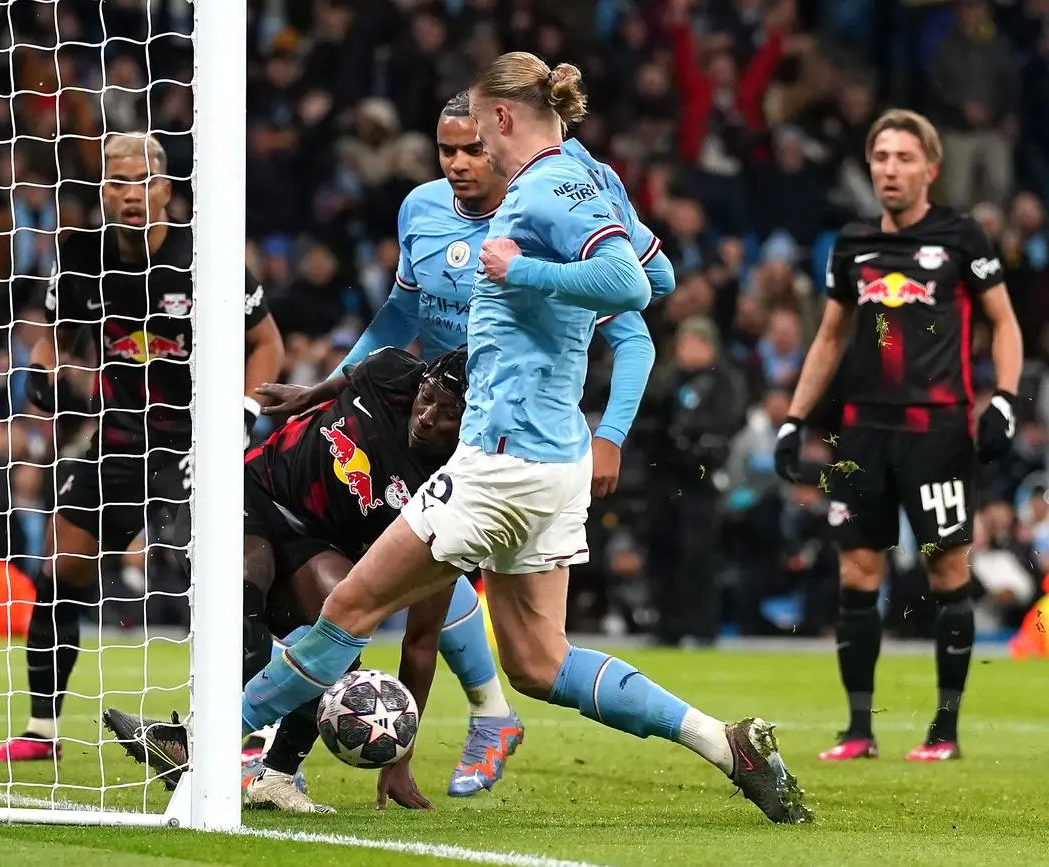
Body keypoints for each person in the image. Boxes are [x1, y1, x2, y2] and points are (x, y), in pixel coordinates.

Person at [233, 52, 811, 825]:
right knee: (540, 662)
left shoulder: (541, 188)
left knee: (349, 604)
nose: (472, 150)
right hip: (550, 461)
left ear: (501, 118)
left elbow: (634, 289)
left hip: (500, 459)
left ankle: (207, 737)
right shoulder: (590, 174)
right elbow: (660, 274)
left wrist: (522, 271)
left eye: (476, 130)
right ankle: (724, 741)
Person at [263, 91, 674, 797]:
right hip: (425, 419)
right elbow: (398, 314)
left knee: (401, 598)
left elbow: (637, 317)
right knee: (396, 588)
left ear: (500, 141)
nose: (457, 163)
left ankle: (274, 748)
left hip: (507, 436)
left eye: (471, 148)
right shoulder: (420, 210)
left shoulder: (549, 207)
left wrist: (611, 434)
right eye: (445, 149)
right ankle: (474, 717)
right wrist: (325, 387)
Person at [0, 133, 284, 763]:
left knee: (221, 580)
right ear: (103, 192)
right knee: (59, 572)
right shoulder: (82, 253)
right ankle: (42, 732)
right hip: (115, 439)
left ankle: (250, 734)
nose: (130, 194)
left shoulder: (208, 255)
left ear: (166, 190)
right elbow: (52, 339)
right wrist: (40, 371)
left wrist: (243, 412)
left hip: (190, 442)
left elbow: (268, 345)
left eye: (143, 182)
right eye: (118, 182)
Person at [104, 347, 469, 813]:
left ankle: (274, 778)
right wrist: (310, 395)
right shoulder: (393, 370)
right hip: (254, 488)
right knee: (242, 597)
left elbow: (421, 639)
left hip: (315, 542)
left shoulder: (453, 493)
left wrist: (401, 755)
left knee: (340, 645)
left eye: (449, 414)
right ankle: (188, 741)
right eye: (427, 398)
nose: (427, 417)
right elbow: (347, 380)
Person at [775, 108, 1023, 762]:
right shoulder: (852, 243)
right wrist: (795, 417)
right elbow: (829, 337)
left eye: (904, 158)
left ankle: (945, 729)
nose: (890, 168)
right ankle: (859, 728)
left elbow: (1004, 323)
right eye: (880, 157)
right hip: (861, 433)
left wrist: (1003, 397)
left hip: (937, 430)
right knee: (856, 570)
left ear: (930, 170)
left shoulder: (963, 237)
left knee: (947, 566)